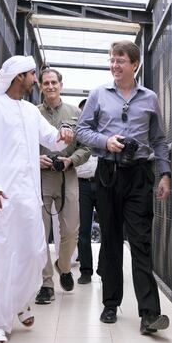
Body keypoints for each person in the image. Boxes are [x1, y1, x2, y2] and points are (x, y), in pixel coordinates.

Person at [0, 55, 75, 343]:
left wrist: (64, 135)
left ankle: (19, 303)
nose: (36, 81)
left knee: (33, 252)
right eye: (33, 75)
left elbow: (53, 139)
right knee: (0, 257)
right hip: (0, 198)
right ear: (19, 77)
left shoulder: (30, 111)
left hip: (28, 198)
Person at [76, 40, 172, 335]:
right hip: (107, 173)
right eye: (112, 60)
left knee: (141, 242)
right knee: (111, 239)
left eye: (121, 60)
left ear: (135, 65)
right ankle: (110, 303)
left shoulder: (150, 98)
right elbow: (81, 130)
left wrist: (165, 173)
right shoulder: (98, 95)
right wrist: (106, 142)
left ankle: (149, 314)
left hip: (140, 174)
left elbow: (159, 140)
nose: (115, 65)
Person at [35, 69, 91, 304]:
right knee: (39, 232)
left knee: (70, 230)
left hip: (68, 175)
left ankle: (64, 266)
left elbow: (86, 148)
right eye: (45, 83)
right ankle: (46, 283)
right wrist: (34, 158)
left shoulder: (75, 112)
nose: (50, 86)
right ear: (40, 85)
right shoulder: (32, 113)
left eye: (53, 82)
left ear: (61, 84)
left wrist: (71, 160)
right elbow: (22, 143)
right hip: (40, 177)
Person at [75, 98, 99, 285]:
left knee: (108, 228)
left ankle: (104, 268)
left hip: (103, 184)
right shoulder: (76, 133)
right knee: (83, 230)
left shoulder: (104, 131)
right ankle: (86, 271)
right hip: (81, 185)